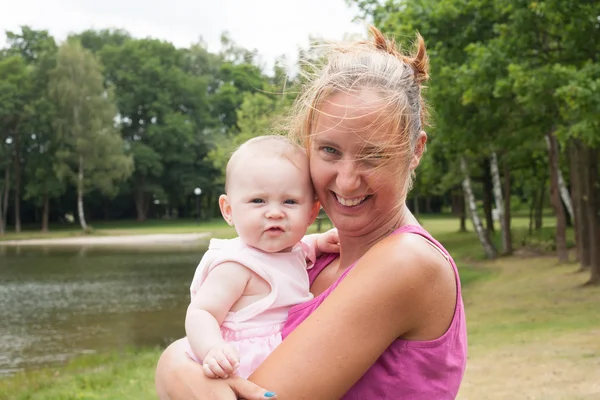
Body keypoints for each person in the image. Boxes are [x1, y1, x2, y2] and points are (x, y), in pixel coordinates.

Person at [156, 25, 467, 400]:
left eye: (373, 155)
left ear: (415, 150)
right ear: (308, 143)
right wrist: (176, 365)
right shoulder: (306, 259)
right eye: (330, 151)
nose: (348, 181)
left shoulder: (405, 262)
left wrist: (174, 367)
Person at [185, 135, 340, 380]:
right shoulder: (236, 266)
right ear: (229, 210)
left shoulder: (291, 249)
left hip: (289, 358)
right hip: (245, 364)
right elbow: (201, 313)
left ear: (311, 212)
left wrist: (320, 242)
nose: (275, 213)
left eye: (290, 201)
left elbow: (298, 250)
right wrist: (213, 349)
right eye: (258, 201)